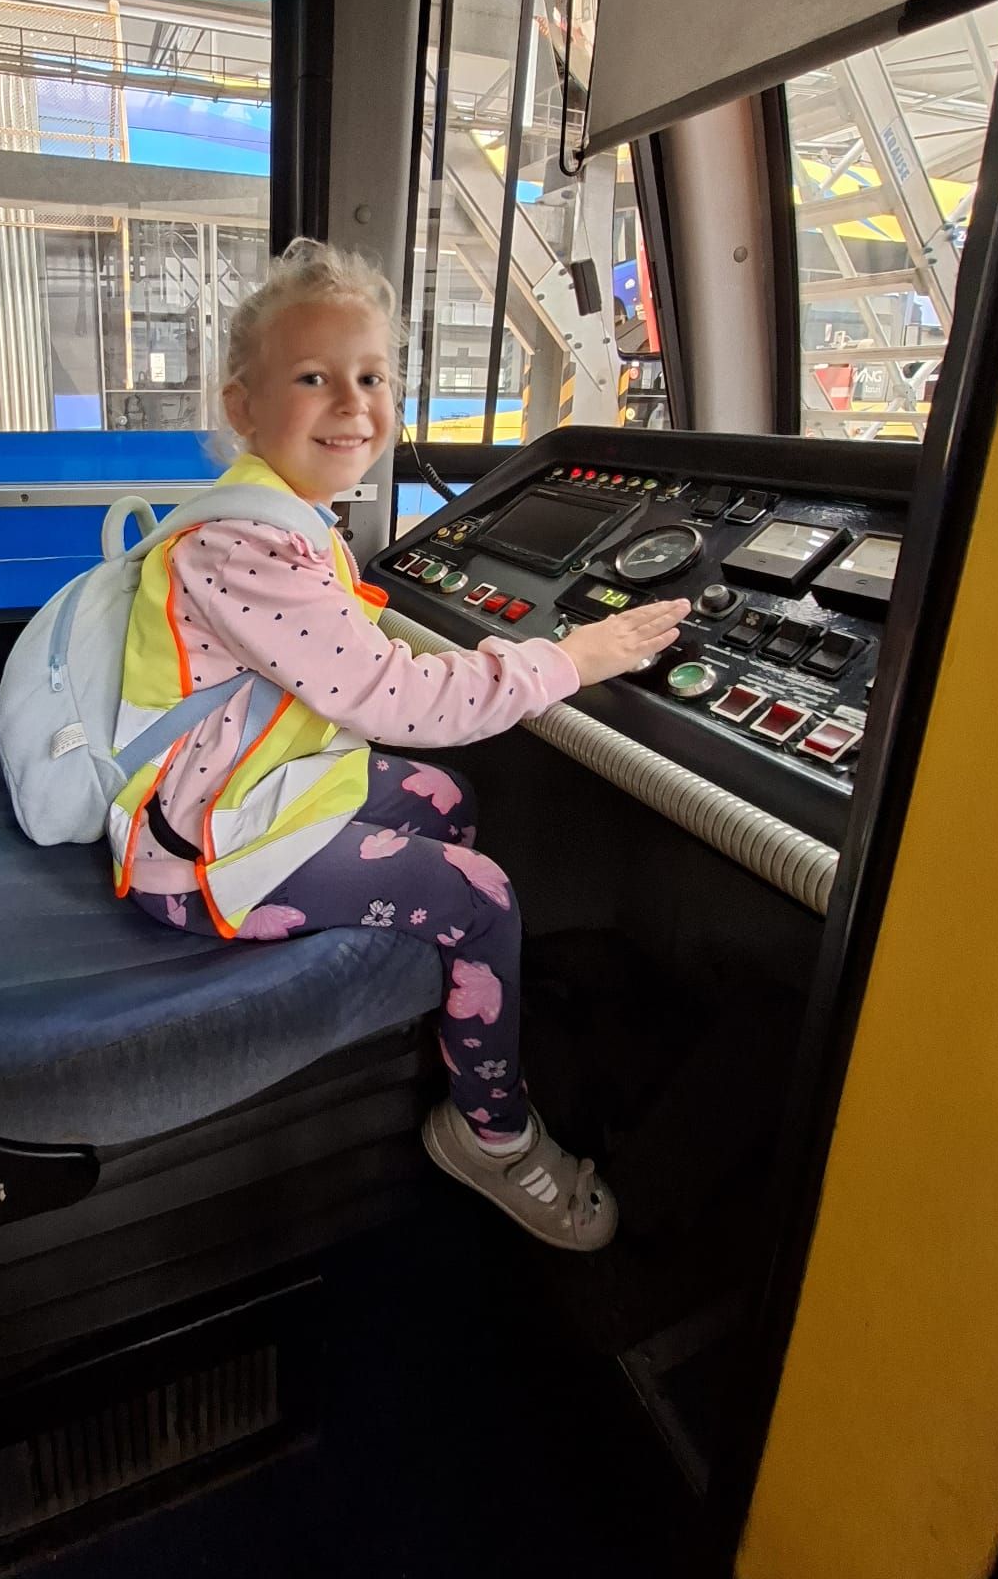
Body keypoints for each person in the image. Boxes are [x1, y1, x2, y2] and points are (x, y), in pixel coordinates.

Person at [110, 239, 687, 1250]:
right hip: (199, 856)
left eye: (372, 377)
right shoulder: (243, 543)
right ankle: (491, 1135)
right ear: (244, 407)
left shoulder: (285, 520)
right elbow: (393, 695)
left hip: (241, 792)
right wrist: (567, 657)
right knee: (484, 895)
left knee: (442, 795)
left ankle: (429, 1006)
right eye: (313, 377)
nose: (353, 404)